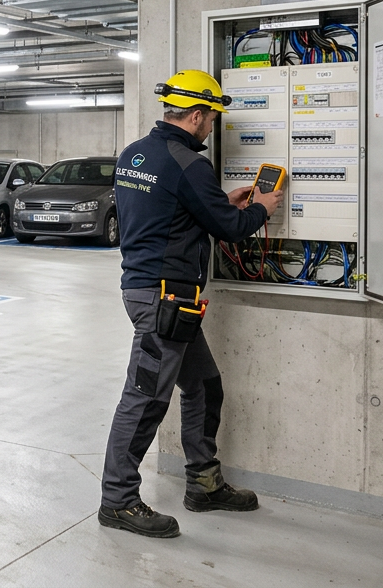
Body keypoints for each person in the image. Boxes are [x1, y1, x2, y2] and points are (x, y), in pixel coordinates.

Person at [98, 69, 285, 538]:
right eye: (212, 118)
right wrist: (263, 205)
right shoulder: (189, 163)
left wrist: (219, 200)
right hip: (165, 299)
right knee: (143, 401)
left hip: (151, 293)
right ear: (198, 116)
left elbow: (168, 210)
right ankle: (117, 501)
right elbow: (232, 229)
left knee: (204, 386)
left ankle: (203, 483)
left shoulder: (134, 154)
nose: (212, 127)